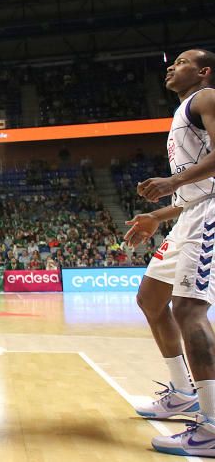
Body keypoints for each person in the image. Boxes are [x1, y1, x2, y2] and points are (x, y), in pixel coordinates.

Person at [123, 49, 215, 456]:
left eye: (180, 62)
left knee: (190, 310)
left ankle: (212, 425)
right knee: (150, 298)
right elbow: (194, 190)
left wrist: (170, 180)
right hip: (190, 213)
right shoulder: (183, 113)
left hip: (210, 212)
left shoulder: (206, 98)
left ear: (203, 71)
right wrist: (158, 215)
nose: (170, 67)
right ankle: (182, 392)